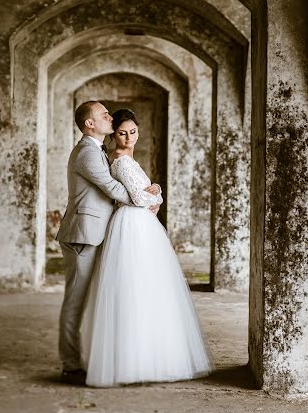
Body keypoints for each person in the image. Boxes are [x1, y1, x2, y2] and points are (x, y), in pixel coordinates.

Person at [82, 109, 213, 387]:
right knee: (135, 288)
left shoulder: (129, 158)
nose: (129, 137)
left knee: (149, 288)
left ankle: (147, 356)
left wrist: (156, 192)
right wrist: (152, 194)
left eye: (133, 132)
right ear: (113, 134)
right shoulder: (120, 161)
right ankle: (134, 361)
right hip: (132, 225)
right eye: (121, 133)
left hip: (141, 223)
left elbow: (152, 194)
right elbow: (142, 198)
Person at [56, 101, 159, 385]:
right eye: (103, 115)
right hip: (83, 234)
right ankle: (70, 365)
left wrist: (148, 193)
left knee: (93, 299)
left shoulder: (98, 150)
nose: (109, 117)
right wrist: (146, 199)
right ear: (89, 124)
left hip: (96, 231)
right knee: (75, 301)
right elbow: (113, 188)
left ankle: (90, 357)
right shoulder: (87, 153)